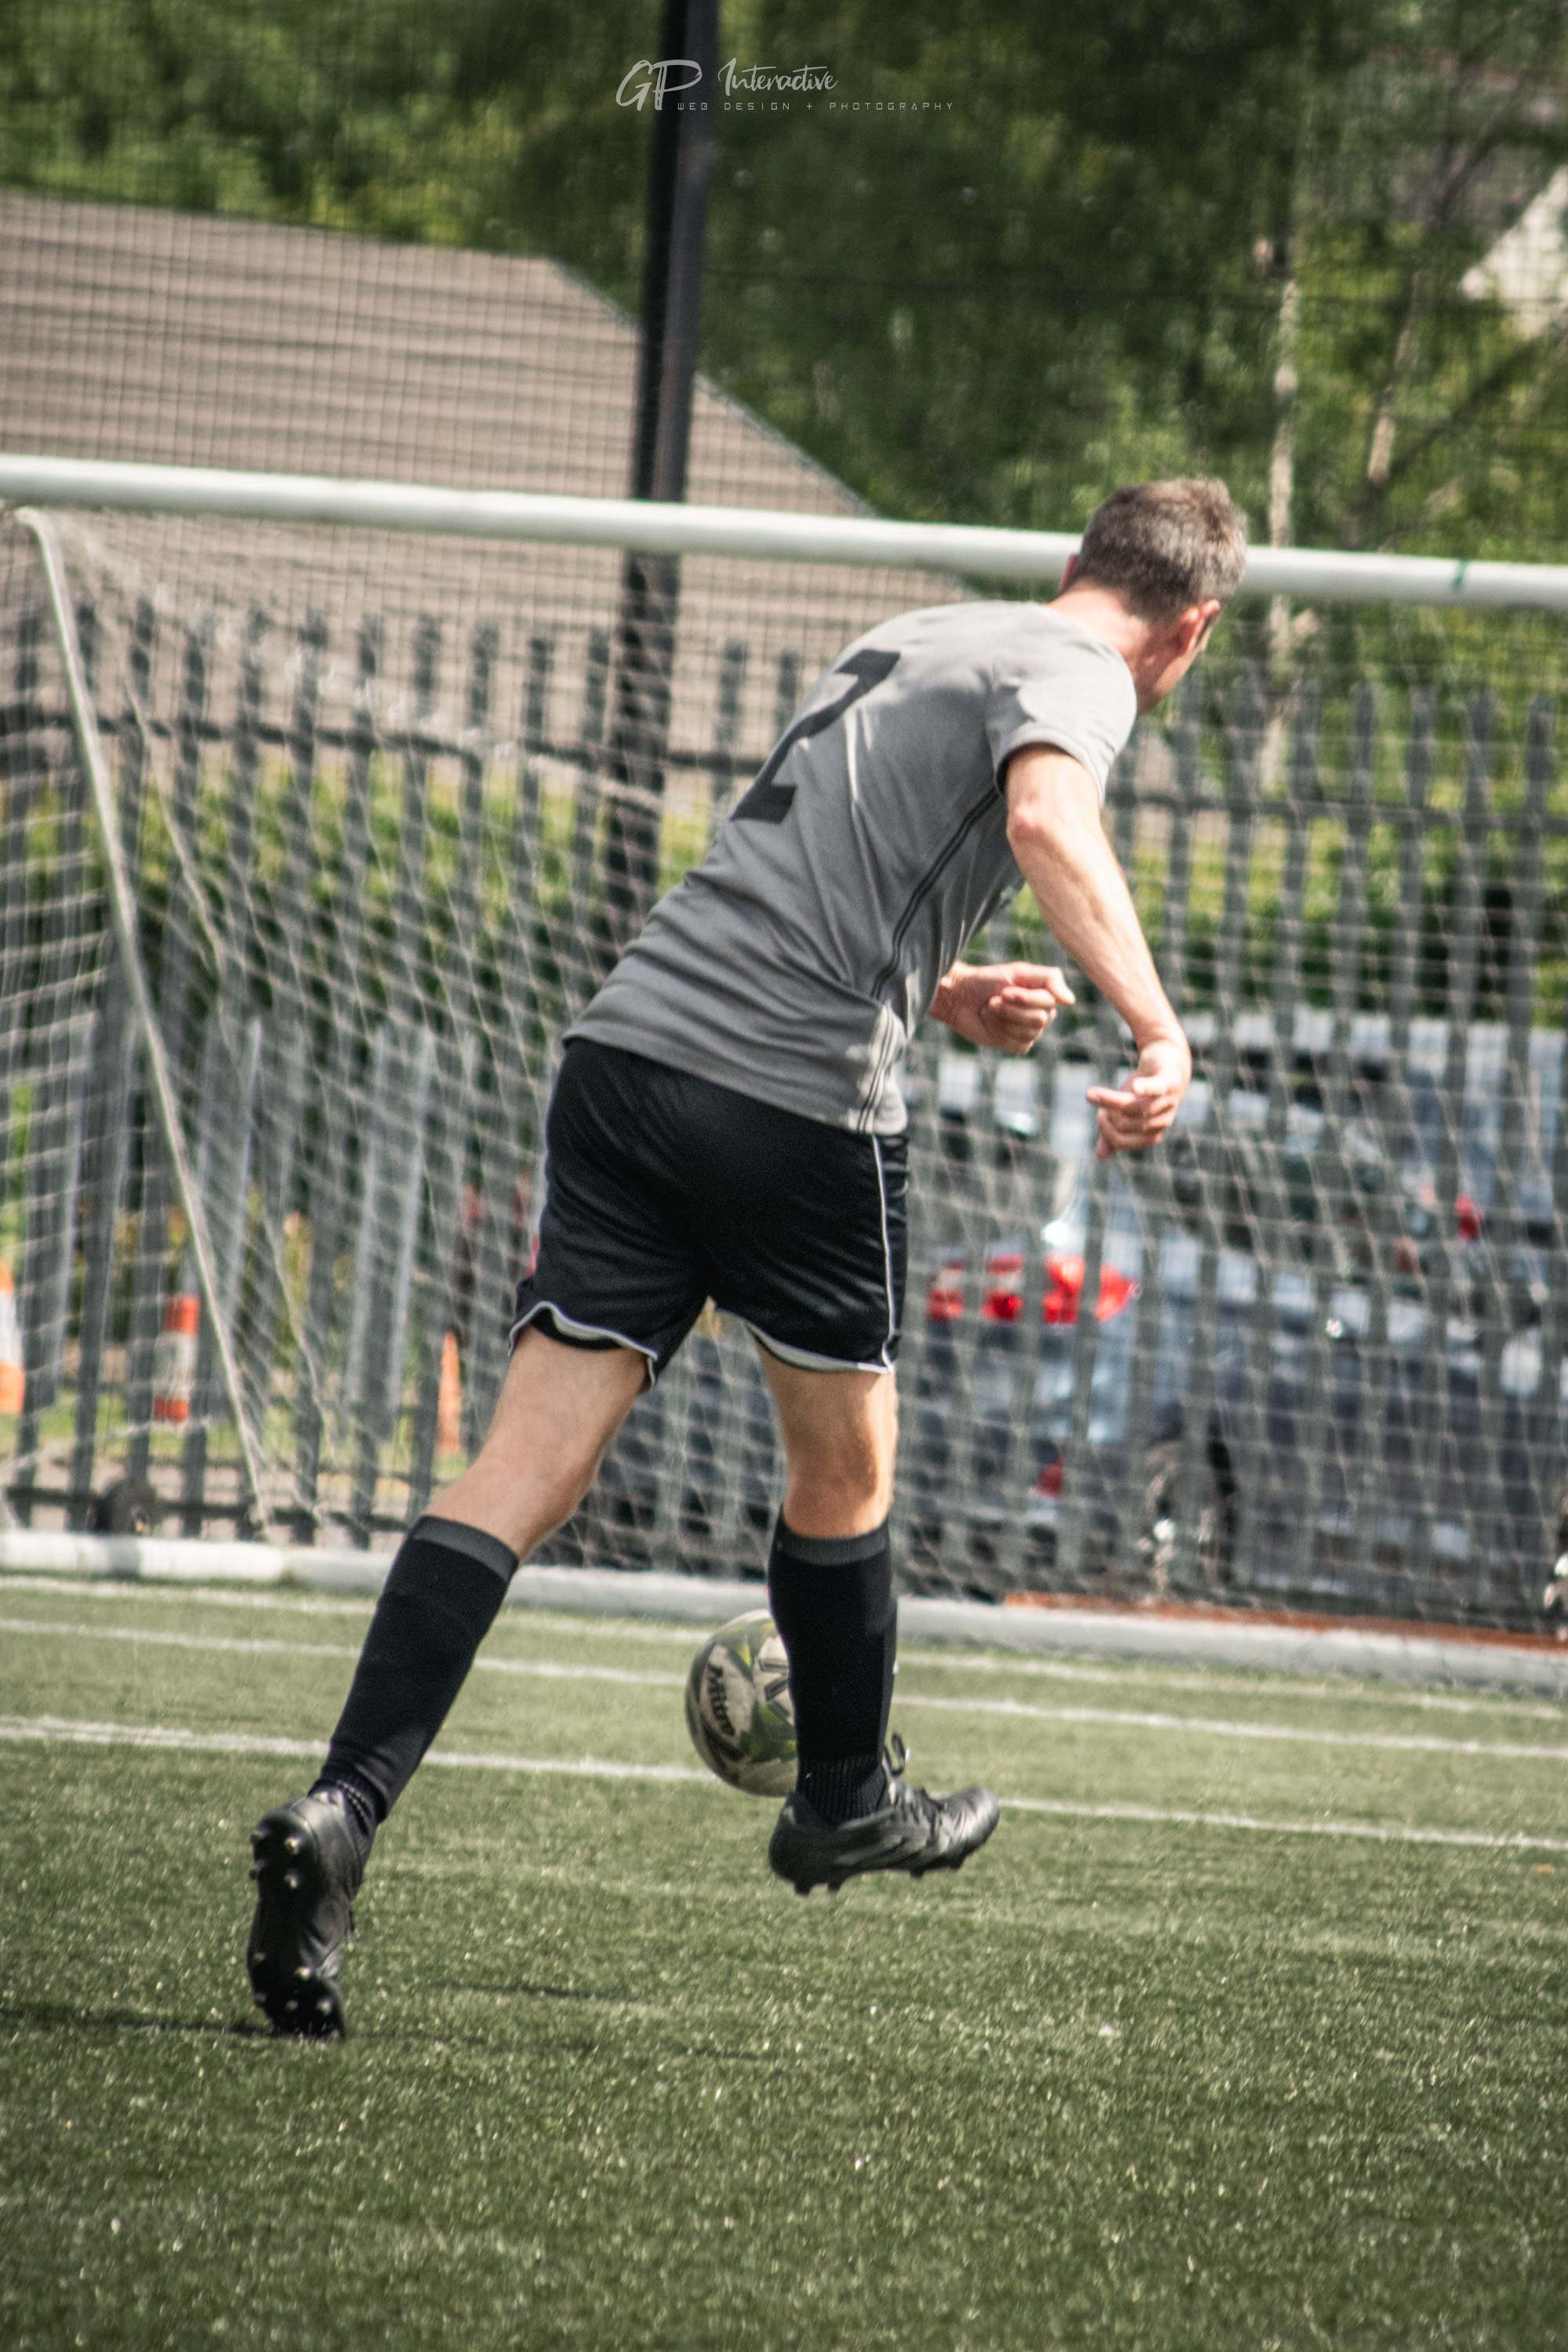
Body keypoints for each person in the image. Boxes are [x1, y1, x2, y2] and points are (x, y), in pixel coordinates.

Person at [246, 476, 1247, 2037]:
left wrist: (946, 988)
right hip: (792, 1101)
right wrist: (1158, 1028)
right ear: (1191, 631)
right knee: (844, 1469)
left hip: (629, 1057)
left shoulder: (921, 634)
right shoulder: (1085, 671)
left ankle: (343, 1810)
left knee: (520, 1469)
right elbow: (1049, 820)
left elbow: (806, 878)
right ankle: (844, 1793)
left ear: (1073, 560)